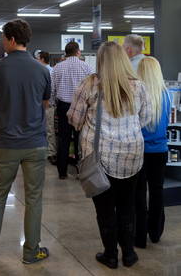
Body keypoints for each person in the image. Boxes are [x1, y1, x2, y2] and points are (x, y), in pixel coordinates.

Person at [68, 41, 152, 269]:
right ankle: (129, 253)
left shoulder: (90, 84)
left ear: (100, 60)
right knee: (128, 207)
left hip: (99, 159)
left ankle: (111, 255)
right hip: (132, 157)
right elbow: (145, 118)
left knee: (105, 210)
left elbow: (74, 119)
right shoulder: (138, 86)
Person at [0, 19, 51, 264]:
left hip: (7, 141)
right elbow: (44, 104)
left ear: (11, 39)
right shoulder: (42, 69)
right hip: (35, 142)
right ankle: (31, 252)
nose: (2, 43)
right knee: (34, 198)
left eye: (3, 39)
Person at [135, 57, 170, 248]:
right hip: (160, 149)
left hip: (140, 150)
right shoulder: (166, 94)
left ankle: (139, 237)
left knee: (139, 193)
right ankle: (156, 232)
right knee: (157, 191)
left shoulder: (138, 94)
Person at [51, 41, 93, 179]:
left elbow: (52, 89)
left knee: (63, 139)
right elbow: (92, 88)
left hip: (63, 106)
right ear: (78, 51)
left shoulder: (57, 67)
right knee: (80, 139)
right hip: (81, 107)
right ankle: (80, 171)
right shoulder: (86, 67)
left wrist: (53, 104)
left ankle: (62, 172)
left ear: (65, 52)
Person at [37, 51, 56, 163]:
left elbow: (50, 90)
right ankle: (48, 151)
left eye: (38, 58)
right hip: (46, 104)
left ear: (43, 59)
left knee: (48, 129)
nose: (37, 60)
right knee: (47, 129)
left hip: (46, 104)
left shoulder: (46, 71)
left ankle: (50, 152)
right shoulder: (52, 70)